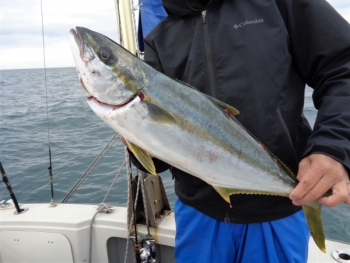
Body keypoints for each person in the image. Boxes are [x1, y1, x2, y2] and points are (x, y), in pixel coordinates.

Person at [124, 0, 350, 262]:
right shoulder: (160, 38)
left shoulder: (279, 4)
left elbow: (342, 67)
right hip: (198, 213)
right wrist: (138, 136)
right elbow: (161, 157)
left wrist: (334, 146)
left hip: (279, 210)